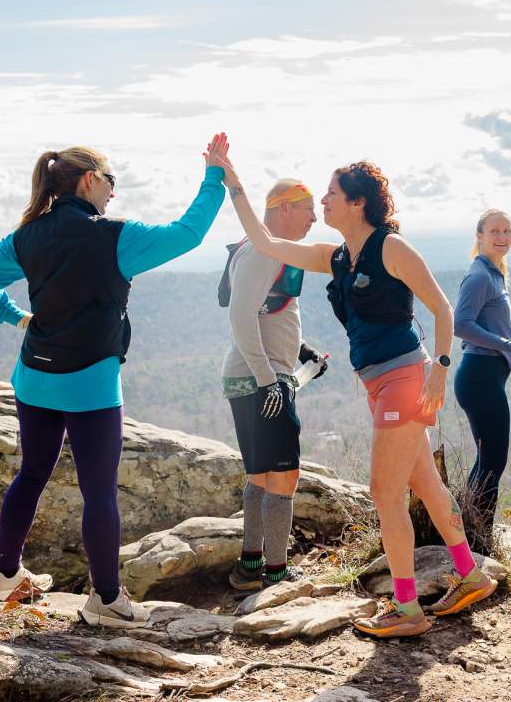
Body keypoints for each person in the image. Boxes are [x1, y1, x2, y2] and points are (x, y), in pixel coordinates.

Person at [210, 135, 497, 638]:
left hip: (406, 379)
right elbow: (267, 243)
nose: (322, 202)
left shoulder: (391, 247)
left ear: (358, 201)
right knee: (423, 482)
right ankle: (471, 575)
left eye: (331, 195)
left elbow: (442, 309)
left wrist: (440, 369)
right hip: (381, 382)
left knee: (384, 494)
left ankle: (407, 611)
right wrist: (233, 182)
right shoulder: (338, 256)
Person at [0, 137, 227, 628]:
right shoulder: (115, 236)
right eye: (111, 181)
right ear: (89, 180)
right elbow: (188, 233)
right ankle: (105, 600)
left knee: (32, 475)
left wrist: (15, 317)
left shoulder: (27, 236)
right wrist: (215, 177)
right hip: (91, 385)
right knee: (99, 492)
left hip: (34, 376)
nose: (113, 193)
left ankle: (5, 576)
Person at [219, 179, 328, 591]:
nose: (314, 218)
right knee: (283, 478)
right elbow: (241, 317)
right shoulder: (264, 251)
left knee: (261, 476)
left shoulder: (256, 248)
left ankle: (249, 567)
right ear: (284, 209)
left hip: (251, 376)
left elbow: (266, 314)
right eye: (307, 209)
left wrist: (302, 355)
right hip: (260, 379)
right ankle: (277, 576)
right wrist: (270, 381)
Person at [454, 209, 511, 551]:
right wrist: (506, 345)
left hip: (487, 375)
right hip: (479, 376)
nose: (502, 237)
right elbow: (462, 324)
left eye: (507, 231)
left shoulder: (495, 274)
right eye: (495, 231)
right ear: (479, 235)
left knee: (487, 459)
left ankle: (471, 532)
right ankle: (479, 543)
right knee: (493, 460)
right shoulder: (479, 275)